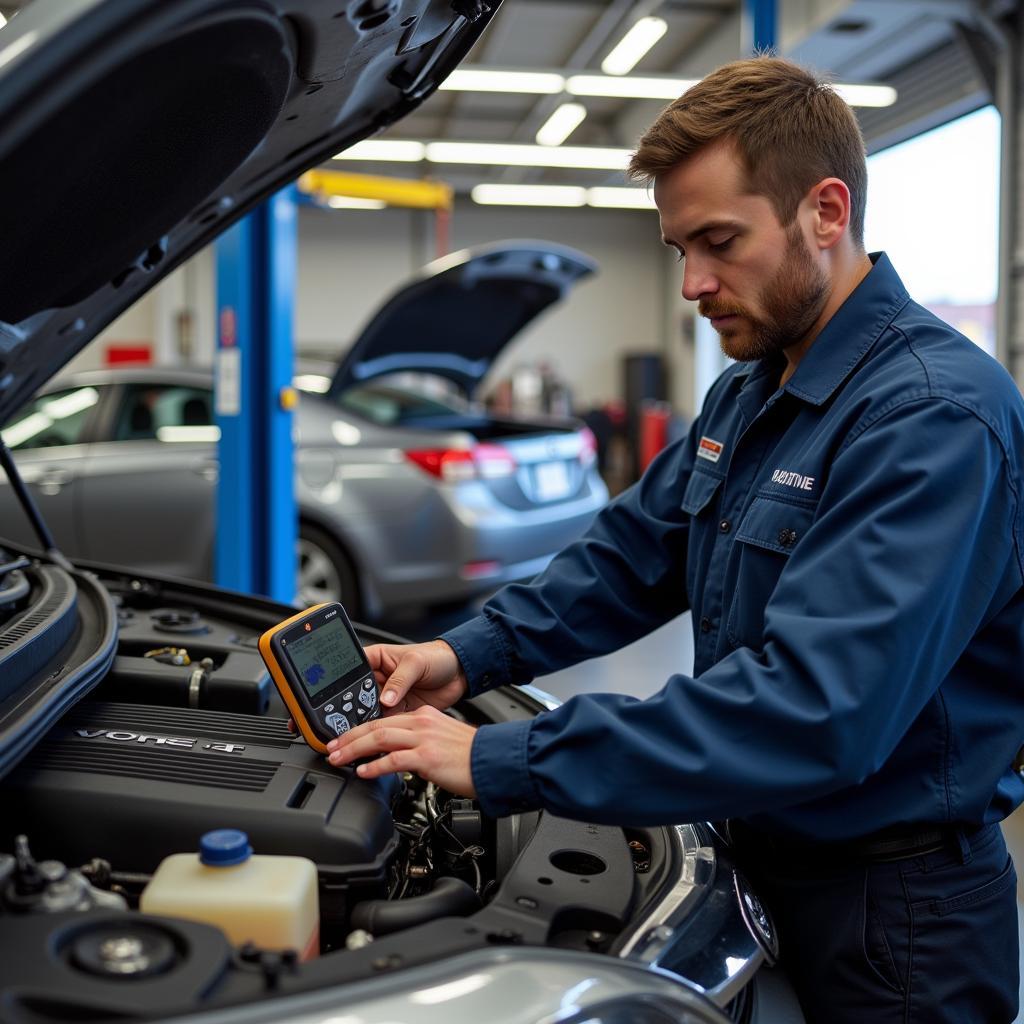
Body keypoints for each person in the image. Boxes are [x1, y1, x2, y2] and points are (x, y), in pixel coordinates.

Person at [325, 56, 1024, 1023]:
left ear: (827, 211)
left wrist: (503, 759)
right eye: (678, 247)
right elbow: (627, 559)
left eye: (720, 241)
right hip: (761, 864)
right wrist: (459, 656)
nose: (694, 282)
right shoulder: (752, 390)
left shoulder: (935, 420)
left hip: (895, 922)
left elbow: (813, 709)